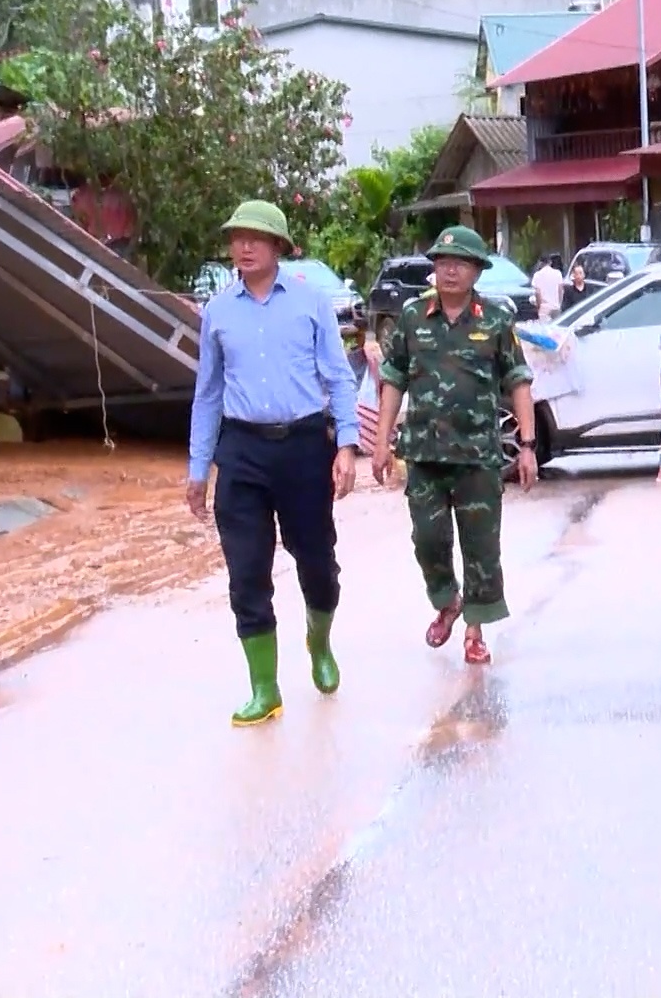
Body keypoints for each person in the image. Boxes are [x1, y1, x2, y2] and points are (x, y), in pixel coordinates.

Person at [188, 200, 360, 727]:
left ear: (279, 247)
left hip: (304, 446)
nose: (244, 247)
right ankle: (265, 688)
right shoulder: (218, 311)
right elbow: (208, 393)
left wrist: (347, 446)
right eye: (237, 237)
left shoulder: (310, 304)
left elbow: (338, 378)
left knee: (317, 562)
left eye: (256, 238)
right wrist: (199, 469)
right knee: (246, 570)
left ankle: (319, 640)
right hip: (242, 450)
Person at [374, 226, 538, 665]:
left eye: (459, 262)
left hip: (478, 456)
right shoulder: (412, 317)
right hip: (424, 454)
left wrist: (527, 444)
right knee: (428, 539)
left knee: (481, 546)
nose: (449, 269)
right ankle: (447, 600)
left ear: (476, 271)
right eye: (442, 261)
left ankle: (474, 630)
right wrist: (381, 442)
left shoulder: (497, 319)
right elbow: (392, 378)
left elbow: (518, 380)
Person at [531, 253, 565, 321]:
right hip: (556, 307)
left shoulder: (537, 275)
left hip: (544, 308)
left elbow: (538, 293)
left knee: (545, 329)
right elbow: (561, 290)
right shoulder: (558, 273)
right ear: (550, 262)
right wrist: (559, 304)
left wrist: (539, 307)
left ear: (540, 263)